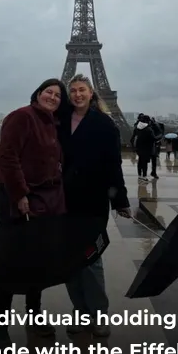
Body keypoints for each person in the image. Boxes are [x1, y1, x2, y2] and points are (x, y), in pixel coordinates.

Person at [0, 78, 70, 348]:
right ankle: (1, 326)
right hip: (18, 196)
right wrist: (20, 194)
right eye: (48, 92)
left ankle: (34, 313)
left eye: (58, 95)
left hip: (44, 198)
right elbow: (6, 157)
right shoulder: (21, 117)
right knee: (11, 258)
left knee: (37, 258)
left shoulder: (52, 123)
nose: (52, 97)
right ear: (37, 94)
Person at [59, 74, 131, 338]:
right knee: (70, 260)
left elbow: (114, 165)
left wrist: (120, 200)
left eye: (82, 90)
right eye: (73, 91)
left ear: (92, 94)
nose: (77, 95)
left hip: (91, 201)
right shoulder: (60, 121)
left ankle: (98, 313)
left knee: (91, 258)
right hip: (64, 200)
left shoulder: (105, 124)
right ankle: (80, 310)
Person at [131, 113, 156, 182]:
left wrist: (134, 147)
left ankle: (139, 175)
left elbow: (132, 138)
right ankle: (144, 176)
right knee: (145, 163)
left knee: (140, 161)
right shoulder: (149, 129)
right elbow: (153, 139)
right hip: (147, 148)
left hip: (139, 148)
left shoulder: (137, 128)